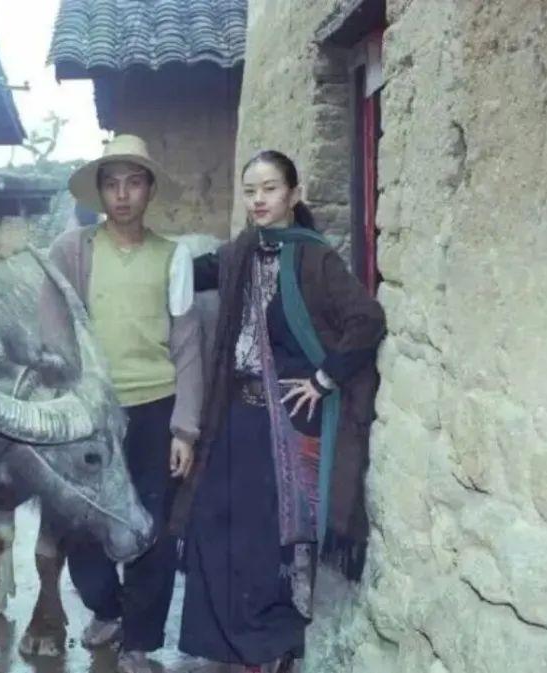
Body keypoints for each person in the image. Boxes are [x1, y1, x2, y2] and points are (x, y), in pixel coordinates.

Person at [171, 150, 386, 672]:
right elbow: (190, 273)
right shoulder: (241, 252)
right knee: (213, 522)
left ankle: (272, 647)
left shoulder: (315, 258)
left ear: (293, 194)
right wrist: (152, 259)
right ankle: (227, 643)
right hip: (236, 414)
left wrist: (323, 378)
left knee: (272, 537)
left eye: (269, 189)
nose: (258, 200)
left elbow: (367, 319)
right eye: (250, 191)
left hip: (288, 422)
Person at [47, 134, 204, 673]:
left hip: (155, 407)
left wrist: (184, 429)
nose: (122, 194)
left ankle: (139, 639)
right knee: (82, 521)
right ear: (99, 192)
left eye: (133, 183)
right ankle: (107, 607)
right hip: (91, 413)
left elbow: (187, 345)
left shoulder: (172, 256)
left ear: (150, 190)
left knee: (150, 525)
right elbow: (54, 333)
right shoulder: (73, 252)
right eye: (111, 184)